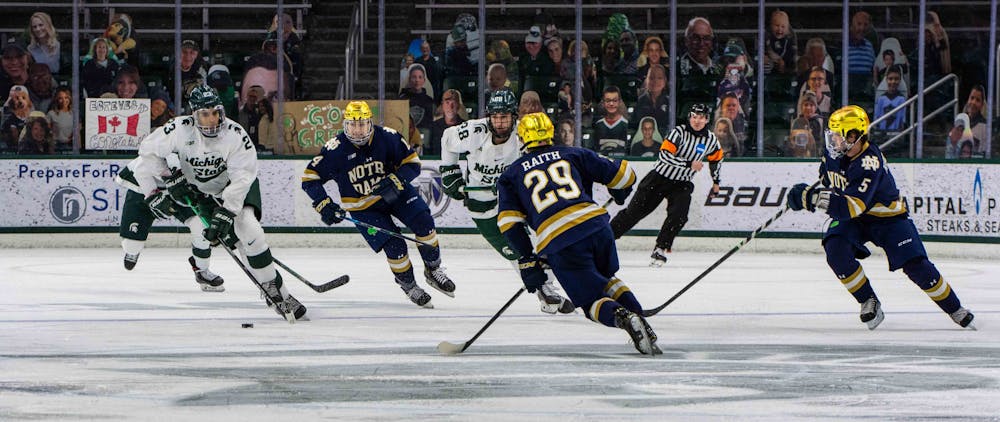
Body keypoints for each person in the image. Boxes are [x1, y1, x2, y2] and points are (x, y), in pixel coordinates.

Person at [785, 105, 975, 330]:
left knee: (917, 266)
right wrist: (807, 191)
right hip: (857, 220)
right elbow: (828, 179)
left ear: (854, 136)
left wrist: (812, 199)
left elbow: (851, 207)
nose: (833, 141)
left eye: (838, 136)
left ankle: (954, 308)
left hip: (888, 219)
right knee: (835, 247)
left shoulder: (869, 162)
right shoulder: (834, 154)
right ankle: (868, 300)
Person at [131, 85, 306, 321]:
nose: (212, 119)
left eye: (215, 112)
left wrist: (228, 210)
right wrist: (168, 176)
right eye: (205, 113)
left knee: (248, 229)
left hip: (234, 187)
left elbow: (243, 175)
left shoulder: (234, 133)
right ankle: (270, 287)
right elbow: (147, 150)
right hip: (202, 193)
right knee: (237, 243)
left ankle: (279, 291)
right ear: (194, 114)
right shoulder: (179, 129)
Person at [496, 111, 661, 355]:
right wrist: (618, 192)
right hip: (597, 227)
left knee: (589, 301)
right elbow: (626, 174)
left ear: (522, 138)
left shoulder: (511, 173)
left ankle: (623, 317)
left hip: (560, 240)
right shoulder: (573, 152)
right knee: (605, 277)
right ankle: (639, 317)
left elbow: (509, 223)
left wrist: (527, 258)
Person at [302, 101, 456, 308]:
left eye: (362, 125)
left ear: (370, 123)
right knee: (395, 246)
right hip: (363, 208)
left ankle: (433, 268)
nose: (358, 131)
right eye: (353, 125)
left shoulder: (388, 137)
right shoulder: (335, 150)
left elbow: (412, 163)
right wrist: (323, 203)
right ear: (345, 125)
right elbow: (309, 177)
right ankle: (409, 285)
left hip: (396, 193)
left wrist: (396, 179)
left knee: (424, 221)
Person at [439, 89, 573, 314]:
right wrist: (450, 172)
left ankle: (547, 289)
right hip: (481, 203)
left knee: (534, 241)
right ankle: (544, 289)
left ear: (513, 116)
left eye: (504, 117)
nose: (499, 122)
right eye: (495, 117)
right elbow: (447, 139)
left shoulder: (523, 134)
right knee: (513, 251)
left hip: (512, 199)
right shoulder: (473, 131)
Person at [610, 103, 723, 267]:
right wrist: (688, 164)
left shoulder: (711, 140)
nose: (697, 120)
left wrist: (716, 183)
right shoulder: (679, 133)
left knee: (679, 215)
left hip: (682, 183)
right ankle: (604, 237)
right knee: (634, 213)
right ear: (690, 117)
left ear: (707, 120)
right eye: (694, 116)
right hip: (658, 179)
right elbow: (664, 156)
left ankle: (661, 248)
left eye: (701, 117)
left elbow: (717, 160)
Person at [114, 156, 225, 293]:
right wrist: (153, 196)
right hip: (141, 190)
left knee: (200, 225)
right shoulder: (158, 148)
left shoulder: (194, 149)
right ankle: (132, 252)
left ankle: (202, 270)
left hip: (176, 190)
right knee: (132, 245)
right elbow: (140, 171)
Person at [590, 85, 628, 157]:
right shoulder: (598, 124)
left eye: (614, 100)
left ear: (619, 102)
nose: (611, 104)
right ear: (603, 102)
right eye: (608, 100)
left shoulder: (625, 124)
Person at [428, 88, 466, 156]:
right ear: (442, 105)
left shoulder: (466, 127)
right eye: (447, 103)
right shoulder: (434, 127)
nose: (450, 107)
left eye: (453, 103)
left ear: (458, 106)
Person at [398, 63, 435, 130]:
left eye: (420, 77)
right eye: (414, 77)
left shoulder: (429, 101)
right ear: (409, 79)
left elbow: (430, 124)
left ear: (424, 80)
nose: (417, 80)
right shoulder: (402, 100)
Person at [763, 10, 796, 76]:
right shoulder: (766, 35)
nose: (780, 29)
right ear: (771, 25)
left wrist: (783, 65)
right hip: (769, 67)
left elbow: (792, 58)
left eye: (783, 26)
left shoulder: (790, 38)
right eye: (777, 25)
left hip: (785, 69)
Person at [873, 66, 906, 131]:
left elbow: (902, 119)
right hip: (882, 133)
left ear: (900, 80)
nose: (893, 82)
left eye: (896, 79)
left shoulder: (902, 99)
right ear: (886, 80)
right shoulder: (881, 99)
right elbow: (876, 117)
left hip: (896, 133)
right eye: (890, 79)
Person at [46, 86, 73, 152]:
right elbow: (47, 133)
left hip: (71, 146)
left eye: (66, 97)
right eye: (60, 98)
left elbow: (77, 132)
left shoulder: (74, 113)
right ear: (56, 100)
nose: (64, 100)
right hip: (56, 147)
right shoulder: (51, 114)